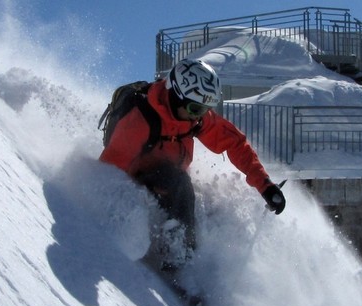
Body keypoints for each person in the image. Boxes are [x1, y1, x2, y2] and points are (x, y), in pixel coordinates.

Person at [99, 59, 286, 269]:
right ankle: (178, 264)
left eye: (205, 109)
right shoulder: (139, 122)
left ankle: (208, 263)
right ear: (176, 95)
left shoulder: (193, 118)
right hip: (137, 184)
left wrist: (265, 185)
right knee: (180, 185)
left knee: (204, 200)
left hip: (169, 182)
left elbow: (235, 143)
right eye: (195, 108)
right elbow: (106, 175)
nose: (199, 116)